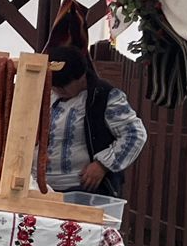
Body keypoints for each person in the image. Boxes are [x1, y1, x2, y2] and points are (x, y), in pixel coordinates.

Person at [47, 44, 147, 197]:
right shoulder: (47, 94)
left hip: (81, 190)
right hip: (41, 187)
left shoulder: (104, 96)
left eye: (63, 87)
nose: (58, 92)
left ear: (81, 77)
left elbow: (134, 134)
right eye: (54, 87)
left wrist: (103, 164)